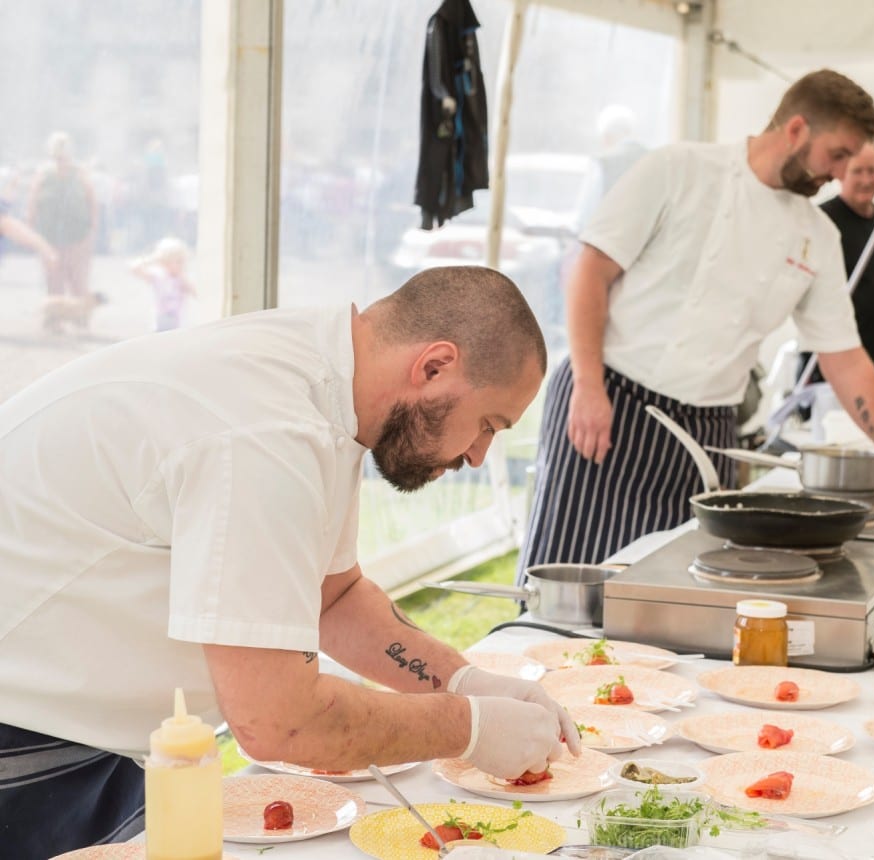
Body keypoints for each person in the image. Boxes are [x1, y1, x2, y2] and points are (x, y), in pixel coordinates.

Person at [0, 265, 580, 858]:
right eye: (487, 425)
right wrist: (468, 727)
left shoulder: (326, 384)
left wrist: (465, 679)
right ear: (433, 366)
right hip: (26, 736)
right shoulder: (268, 432)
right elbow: (280, 722)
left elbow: (334, 598)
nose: (480, 456)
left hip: (99, 737)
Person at [518, 69, 874, 581]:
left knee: (682, 590)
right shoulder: (678, 169)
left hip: (706, 432)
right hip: (611, 406)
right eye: (836, 155)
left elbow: (845, 357)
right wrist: (589, 386)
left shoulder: (818, 235)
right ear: (795, 130)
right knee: (573, 580)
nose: (838, 173)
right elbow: (590, 270)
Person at [811, 140, 874, 414]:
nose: (866, 180)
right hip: (839, 366)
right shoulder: (823, 220)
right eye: (858, 171)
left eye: (872, 170)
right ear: (841, 172)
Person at [26, 131, 98, 299]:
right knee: (53, 278)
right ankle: (55, 318)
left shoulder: (81, 173)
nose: (61, 160)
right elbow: (32, 203)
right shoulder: (43, 175)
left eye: (63, 155)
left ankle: (79, 317)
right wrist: (31, 231)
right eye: (57, 155)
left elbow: (92, 202)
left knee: (78, 278)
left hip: (78, 234)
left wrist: (92, 230)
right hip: (49, 234)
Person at [129, 235, 197, 331]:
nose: (181, 265)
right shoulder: (158, 275)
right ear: (165, 262)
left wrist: (182, 276)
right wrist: (152, 259)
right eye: (178, 261)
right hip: (160, 322)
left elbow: (194, 292)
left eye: (182, 261)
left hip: (177, 324)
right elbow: (134, 268)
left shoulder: (181, 280)